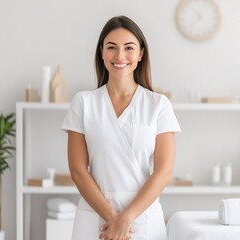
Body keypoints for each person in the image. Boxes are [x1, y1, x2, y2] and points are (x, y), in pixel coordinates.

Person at [61, 15, 180, 240]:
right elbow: (78, 170)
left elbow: (163, 171)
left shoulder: (158, 105)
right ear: (102, 53)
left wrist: (125, 219)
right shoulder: (84, 103)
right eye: (112, 47)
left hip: (142, 218)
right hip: (94, 217)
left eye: (129, 48)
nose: (120, 56)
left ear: (141, 54)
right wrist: (111, 218)